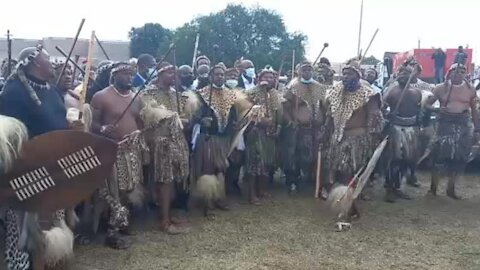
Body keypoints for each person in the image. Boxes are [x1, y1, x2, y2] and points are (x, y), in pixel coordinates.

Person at [0, 46, 78, 269]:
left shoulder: (51, 91)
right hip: (27, 171)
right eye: (48, 59)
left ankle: (45, 262)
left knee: (51, 220)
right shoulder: (13, 93)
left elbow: (57, 122)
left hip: (55, 166)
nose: (52, 63)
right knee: (28, 225)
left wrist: (71, 127)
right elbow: (8, 137)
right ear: (35, 63)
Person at [90, 62, 143, 249]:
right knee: (114, 192)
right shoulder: (101, 96)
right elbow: (92, 124)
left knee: (129, 189)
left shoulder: (137, 97)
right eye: (125, 73)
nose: (130, 77)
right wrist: (103, 128)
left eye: (131, 74)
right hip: (111, 150)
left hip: (132, 149)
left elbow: (140, 121)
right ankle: (111, 232)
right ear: (114, 75)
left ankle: (123, 223)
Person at [141, 62, 190, 233]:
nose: (173, 75)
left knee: (174, 179)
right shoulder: (148, 93)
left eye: (174, 72)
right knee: (164, 180)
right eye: (169, 72)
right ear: (160, 74)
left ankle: (168, 214)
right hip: (159, 142)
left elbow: (185, 116)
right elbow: (152, 116)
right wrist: (175, 118)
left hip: (177, 141)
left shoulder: (177, 94)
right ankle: (164, 220)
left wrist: (183, 119)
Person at [186, 64, 238, 217]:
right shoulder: (201, 94)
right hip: (208, 137)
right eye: (217, 74)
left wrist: (234, 124)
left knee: (221, 168)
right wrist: (202, 120)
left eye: (222, 74)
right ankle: (207, 201)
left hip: (224, 138)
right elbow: (192, 116)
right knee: (208, 169)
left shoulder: (231, 94)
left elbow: (233, 115)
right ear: (210, 76)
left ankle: (220, 198)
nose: (220, 77)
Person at [326, 58, 383, 197]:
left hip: (358, 138)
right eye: (344, 74)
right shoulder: (336, 91)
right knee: (339, 168)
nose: (345, 77)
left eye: (349, 74)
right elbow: (329, 112)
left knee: (354, 168)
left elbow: (374, 116)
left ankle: (354, 192)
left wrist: (371, 136)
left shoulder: (368, 93)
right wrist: (326, 130)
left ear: (358, 76)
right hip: (338, 136)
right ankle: (342, 192)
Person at [425, 63, 479, 199]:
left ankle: (451, 188)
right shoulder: (440, 88)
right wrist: (437, 109)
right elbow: (426, 104)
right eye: (455, 71)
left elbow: (474, 110)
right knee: (439, 156)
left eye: (462, 71)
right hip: (444, 124)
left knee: (459, 158)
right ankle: (433, 189)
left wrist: (477, 128)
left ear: (465, 74)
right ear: (450, 72)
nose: (458, 74)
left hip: (463, 126)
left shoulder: (470, 90)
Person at [281, 61, 329, 194]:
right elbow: (284, 105)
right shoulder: (293, 86)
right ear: (299, 71)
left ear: (312, 71)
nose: (307, 71)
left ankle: (316, 182)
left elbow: (325, 108)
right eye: (304, 69)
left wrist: (325, 124)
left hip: (316, 128)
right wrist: (290, 121)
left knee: (316, 155)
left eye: (309, 69)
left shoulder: (319, 87)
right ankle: (292, 181)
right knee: (295, 155)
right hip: (299, 128)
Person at [383, 63, 423, 202]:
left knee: (407, 160)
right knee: (394, 160)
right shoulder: (391, 91)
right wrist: (389, 113)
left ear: (412, 76)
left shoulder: (417, 92)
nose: (404, 76)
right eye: (401, 73)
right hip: (396, 128)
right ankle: (389, 189)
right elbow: (383, 108)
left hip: (411, 129)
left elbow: (418, 111)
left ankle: (397, 187)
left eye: (407, 73)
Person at [242, 67, 282, 204]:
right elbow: (246, 115)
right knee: (254, 163)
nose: (268, 80)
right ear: (259, 79)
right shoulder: (250, 93)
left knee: (266, 164)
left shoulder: (275, 94)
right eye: (265, 77)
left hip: (269, 134)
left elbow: (278, 114)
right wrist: (261, 122)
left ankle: (261, 190)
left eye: (271, 77)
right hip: (255, 133)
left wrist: (278, 127)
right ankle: (252, 194)